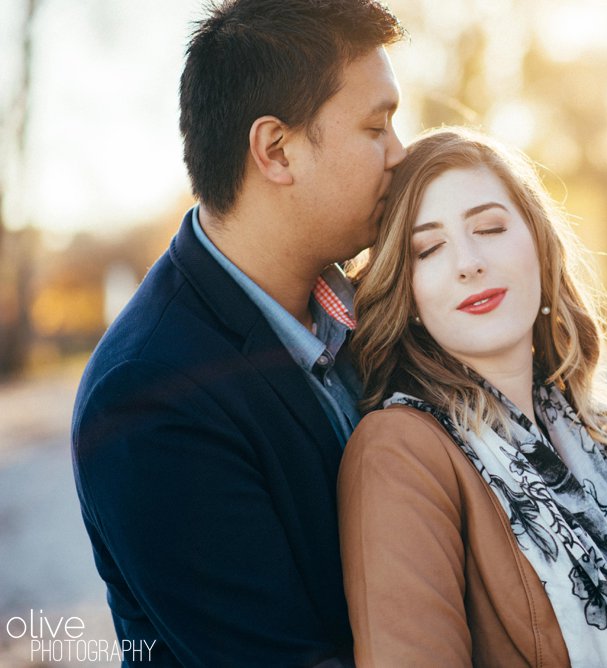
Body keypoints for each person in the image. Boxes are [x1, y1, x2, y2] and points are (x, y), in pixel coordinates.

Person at [70, 1, 405, 664]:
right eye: (377, 126)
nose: (400, 153)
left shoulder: (366, 306)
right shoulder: (150, 396)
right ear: (276, 151)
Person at [340, 127, 607, 667]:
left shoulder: (594, 433)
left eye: (489, 228)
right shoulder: (399, 453)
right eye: (430, 247)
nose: (467, 261)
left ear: (539, 245)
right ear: (409, 292)